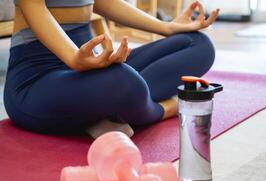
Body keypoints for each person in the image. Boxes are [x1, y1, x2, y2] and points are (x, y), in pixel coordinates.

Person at [4, 0, 219, 137]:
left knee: (198, 44)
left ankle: (104, 111)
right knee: (123, 81)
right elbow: (33, 7)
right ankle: (161, 109)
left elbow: (103, 2)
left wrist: (167, 27)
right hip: (36, 80)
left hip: (90, 70)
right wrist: (74, 58)